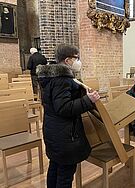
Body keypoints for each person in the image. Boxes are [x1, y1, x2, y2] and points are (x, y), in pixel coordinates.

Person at [36, 44, 100, 188]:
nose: (78, 61)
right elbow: (64, 108)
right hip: (65, 136)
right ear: (67, 60)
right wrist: (88, 100)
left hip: (55, 131)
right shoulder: (62, 80)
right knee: (65, 176)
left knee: (55, 167)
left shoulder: (52, 76)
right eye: (76, 58)